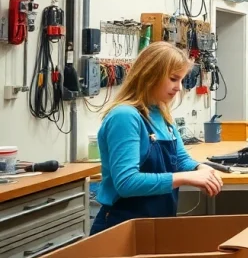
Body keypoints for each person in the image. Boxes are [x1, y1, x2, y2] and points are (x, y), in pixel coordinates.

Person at [92, 43, 223, 234]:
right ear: (149, 75)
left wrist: (200, 168)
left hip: (155, 224)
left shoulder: (161, 114)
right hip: (121, 227)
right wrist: (187, 177)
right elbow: (127, 183)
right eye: (173, 79)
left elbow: (180, 159)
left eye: (181, 80)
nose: (179, 88)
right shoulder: (125, 116)